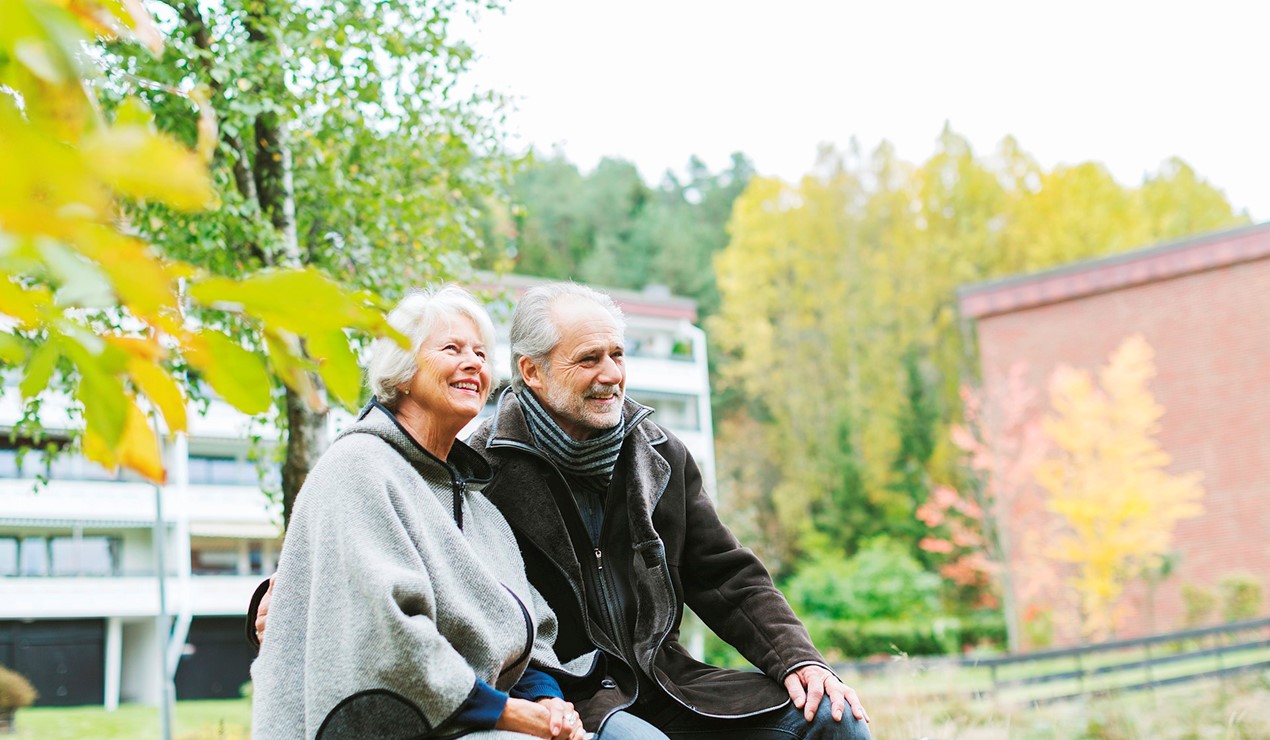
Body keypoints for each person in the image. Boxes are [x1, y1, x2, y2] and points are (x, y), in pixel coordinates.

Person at [462, 283, 872, 740]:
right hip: (573, 697)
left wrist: (799, 659)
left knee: (836, 722)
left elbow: (726, 576)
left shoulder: (659, 454)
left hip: (671, 686)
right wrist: (537, 701)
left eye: (617, 355)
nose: (612, 374)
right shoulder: (481, 472)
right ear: (532, 371)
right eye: (589, 359)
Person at [250, 286, 595, 740]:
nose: (474, 362)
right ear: (403, 371)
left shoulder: (481, 510)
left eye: (480, 352)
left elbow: (523, 635)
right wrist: (509, 714)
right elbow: (384, 640)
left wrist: (549, 703)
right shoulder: (359, 466)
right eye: (452, 348)